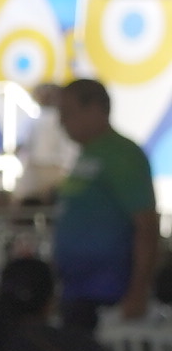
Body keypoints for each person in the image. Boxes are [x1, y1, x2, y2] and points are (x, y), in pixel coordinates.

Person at [51, 76, 158, 333]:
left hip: (108, 292)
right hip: (75, 290)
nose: (61, 122)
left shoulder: (123, 155)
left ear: (95, 109)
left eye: (68, 113)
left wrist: (138, 291)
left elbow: (147, 226)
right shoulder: (87, 154)